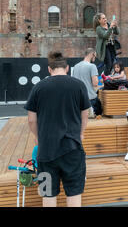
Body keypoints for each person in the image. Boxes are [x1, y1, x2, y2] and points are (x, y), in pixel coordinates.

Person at [25, 51, 90, 207]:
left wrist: (38, 137)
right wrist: (80, 133)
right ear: (67, 68)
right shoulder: (78, 85)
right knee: (74, 193)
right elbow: (85, 115)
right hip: (72, 149)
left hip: (46, 152)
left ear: (49, 69)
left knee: (47, 194)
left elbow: (31, 120)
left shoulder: (38, 87)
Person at [72, 48, 103, 119]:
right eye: (95, 55)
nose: (95, 58)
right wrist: (102, 82)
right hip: (90, 100)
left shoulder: (76, 66)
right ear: (92, 54)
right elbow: (95, 83)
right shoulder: (92, 66)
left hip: (78, 101)